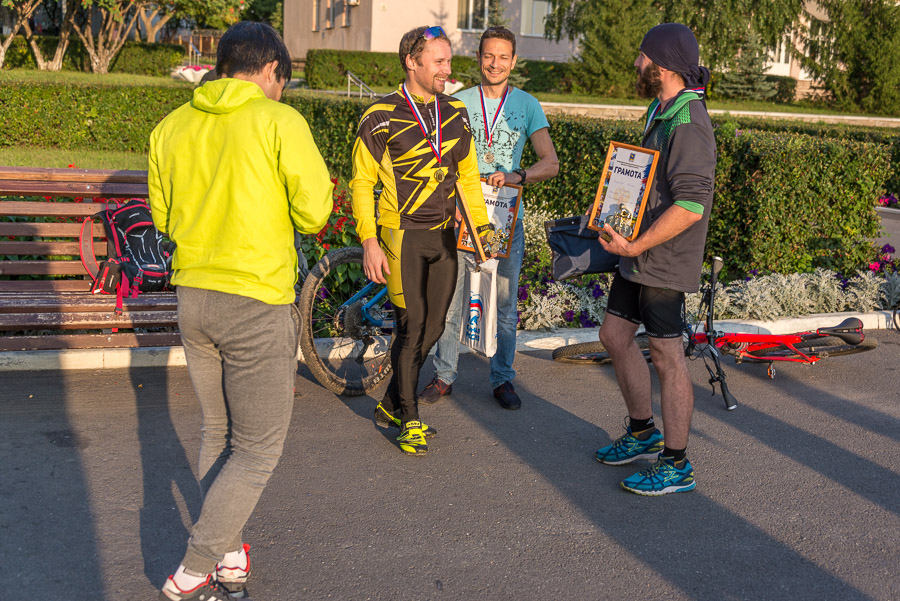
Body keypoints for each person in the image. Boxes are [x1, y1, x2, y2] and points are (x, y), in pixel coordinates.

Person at [148, 22, 334, 600]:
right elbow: (313, 213)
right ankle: (195, 565)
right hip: (255, 299)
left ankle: (228, 554)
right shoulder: (279, 120)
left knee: (220, 431)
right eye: (284, 79)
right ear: (272, 70)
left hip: (194, 297)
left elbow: (162, 218)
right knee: (258, 450)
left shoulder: (171, 126)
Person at [351, 25, 494, 455]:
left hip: (445, 237)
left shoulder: (455, 112)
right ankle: (410, 419)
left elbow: (467, 176)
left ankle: (392, 403)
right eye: (439, 62)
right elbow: (361, 183)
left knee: (433, 329)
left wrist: (482, 226)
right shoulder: (379, 115)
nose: (448, 71)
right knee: (412, 329)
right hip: (401, 235)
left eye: (449, 61)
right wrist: (369, 241)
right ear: (412, 62)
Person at [593, 23, 716, 496]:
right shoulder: (660, 108)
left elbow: (691, 204)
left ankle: (677, 464)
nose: (637, 64)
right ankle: (643, 430)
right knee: (614, 334)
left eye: (643, 57)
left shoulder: (689, 122)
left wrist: (636, 245)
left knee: (667, 356)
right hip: (637, 249)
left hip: (662, 259)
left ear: (661, 66)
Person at [418, 26, 559, 410]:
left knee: (505, 304)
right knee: (450, 301)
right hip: (461, 215)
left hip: (505, 220)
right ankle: (444, 375)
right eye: (488, 56)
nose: (495, 64)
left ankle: (502, 379)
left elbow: (551, 163)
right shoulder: (457, 102)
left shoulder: (528, 105)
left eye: (503, 57)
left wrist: (518, 176)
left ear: (513, 61)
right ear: (479, 58)